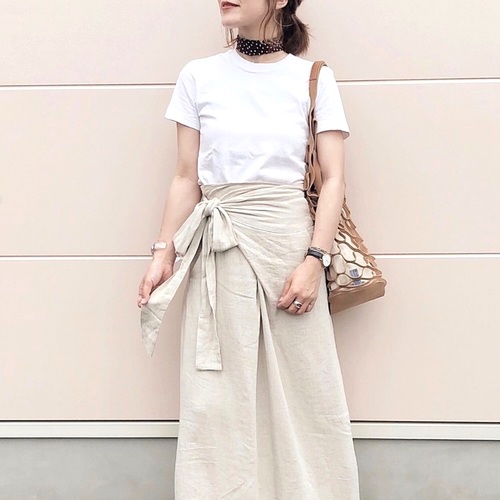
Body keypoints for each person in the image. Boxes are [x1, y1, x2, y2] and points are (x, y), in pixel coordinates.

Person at [137, 0, 360, 497]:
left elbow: (334, 179)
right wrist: (162, 253)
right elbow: (186, 177)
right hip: (220, 246)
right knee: (216, 393)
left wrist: (315, 260)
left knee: (305, 387)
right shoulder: (198, 76)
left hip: (291, 249)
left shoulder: (314, 78)